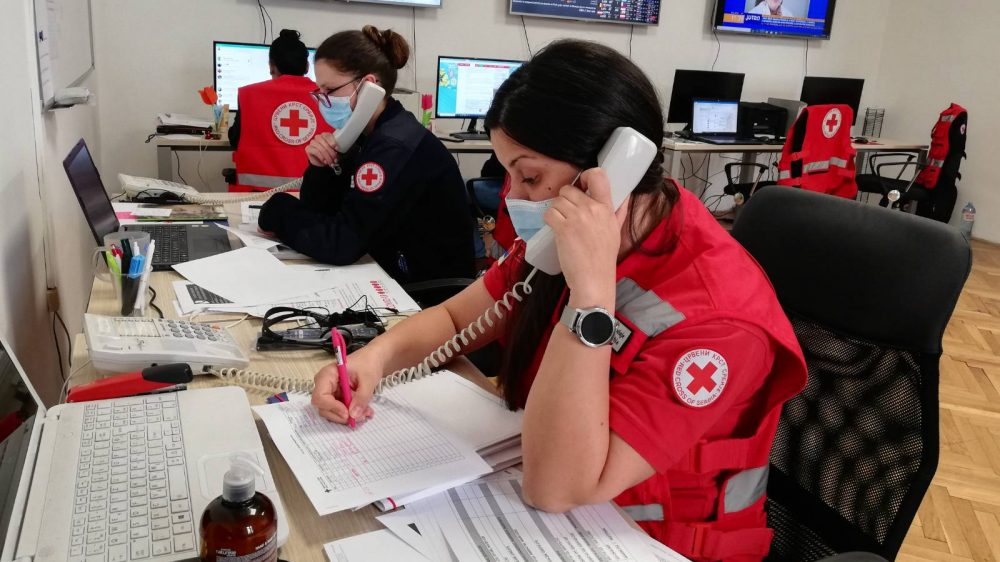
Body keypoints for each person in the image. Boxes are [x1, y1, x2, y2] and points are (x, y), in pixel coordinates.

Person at [310, 40, 808, 561]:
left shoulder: (718, 319)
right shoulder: (569, 239)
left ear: (615, 171)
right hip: (561, 514)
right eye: (506, 174)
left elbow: (556, 488)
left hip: (659, 543)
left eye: (529, 176)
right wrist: (374, 360)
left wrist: (592, 293)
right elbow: (458, 316)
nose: (512, 198)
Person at [258, 26, 475, 283]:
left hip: (426, 290)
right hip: (387, 263)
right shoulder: (368, 132)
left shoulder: (393, 146)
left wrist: (277, 209)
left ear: (368, 86)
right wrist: (322, 168)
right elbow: (323, 212)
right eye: (320, 91)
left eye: (330, 91)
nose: (323, 100)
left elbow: (341, 243)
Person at [229, 30, 329, 192]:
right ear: (307, 65)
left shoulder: (250, 94)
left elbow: (235, 139)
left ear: (271, 66)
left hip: (257, 198)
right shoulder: (328, 96)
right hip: (315, 195)